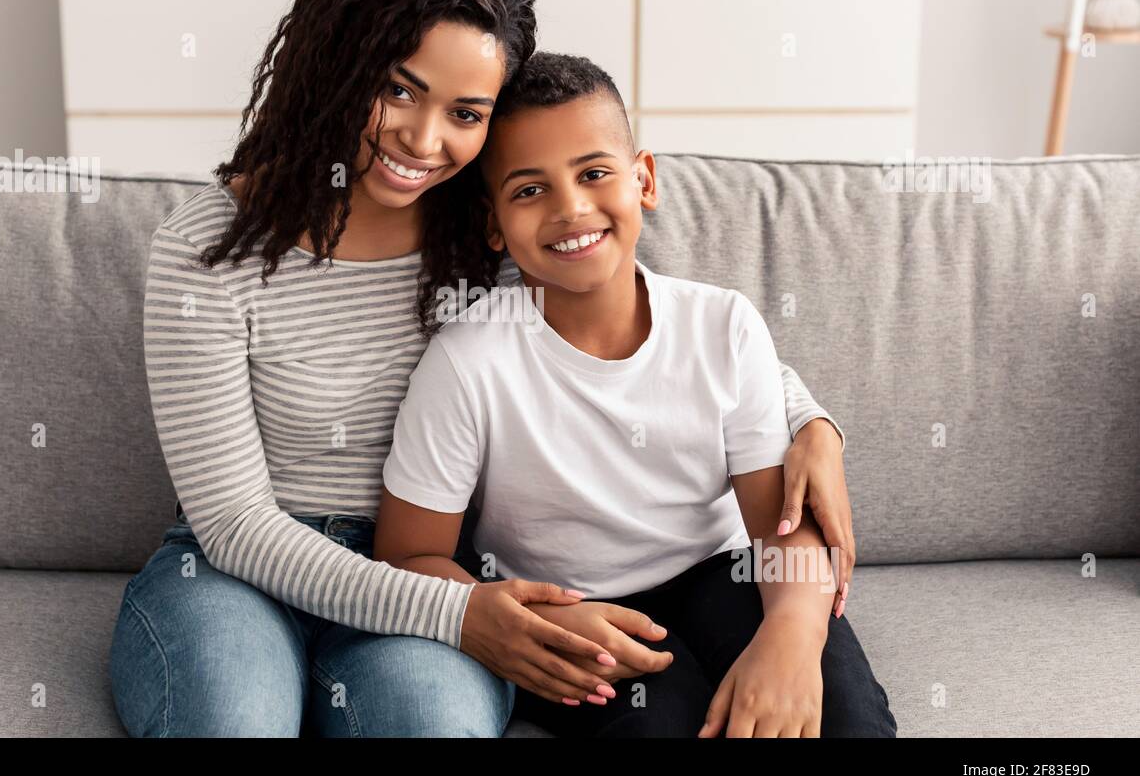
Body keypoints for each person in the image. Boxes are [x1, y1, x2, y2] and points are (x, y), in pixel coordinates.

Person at [110, 0, 855, 737]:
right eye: (398, 90)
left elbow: (658, 322)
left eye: (465, 112)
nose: (424, 141)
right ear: (333, 61)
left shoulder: (496, 223)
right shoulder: (208, 248)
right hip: (239, 572)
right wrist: (462, 613)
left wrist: (810, 424)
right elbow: (233, 524)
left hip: (431, 570)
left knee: (433, 724)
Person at [375, 52, 894, 736]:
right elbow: (407, 557)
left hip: (724, 574)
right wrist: (531, 619)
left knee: (850, 723)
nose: (571, 209)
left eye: (594, 174)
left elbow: (779, 526)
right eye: (530, 190)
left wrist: (793, 637)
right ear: (493, 221)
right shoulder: (469, 361)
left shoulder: (724, 324)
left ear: (643, 179)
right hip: (570, 604)